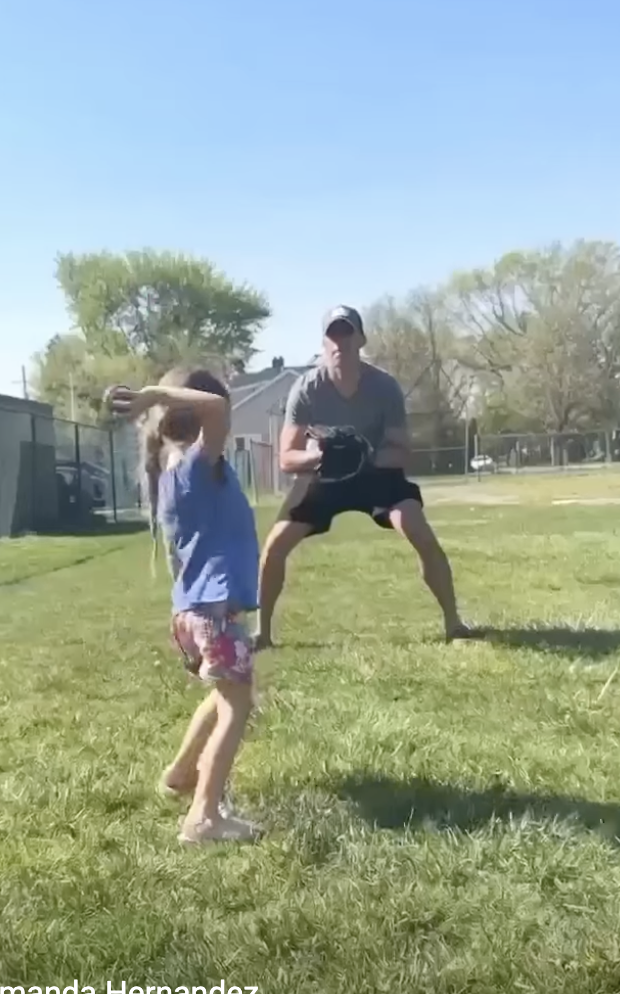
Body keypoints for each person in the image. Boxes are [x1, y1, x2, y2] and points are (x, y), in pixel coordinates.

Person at [254, 305, 477, 649]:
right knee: (274, 546)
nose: (340, 342)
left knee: (418, 530)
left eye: (347, 333)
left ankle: (454, 623)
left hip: (375, 475)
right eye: (333, 334)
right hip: (325, 477)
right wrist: (319, 457)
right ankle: (263, 635)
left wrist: (365, 455)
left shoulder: (384, 387)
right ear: (325, 342)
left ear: (360, 339)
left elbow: (402, 452)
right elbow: (286, 457)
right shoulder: (307, 388)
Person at [106, 368, 261, 845]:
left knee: (222, 695)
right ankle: (204, 816)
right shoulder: (197, 463)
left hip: (194, 614)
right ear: (199, 413)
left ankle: (179, 774)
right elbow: (216, 409)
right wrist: (155, 394)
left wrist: (159, 399)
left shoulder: (170, 469)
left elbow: (212, 410)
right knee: (237, 705)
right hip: (213, 613)